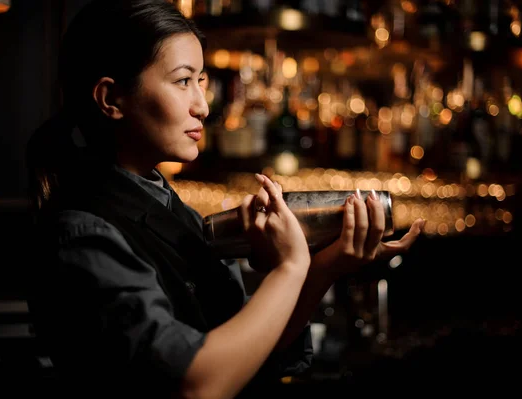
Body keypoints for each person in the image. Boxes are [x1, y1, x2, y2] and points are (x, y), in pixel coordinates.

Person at [25, 0, 425, 396]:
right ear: (111, 99)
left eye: (201, 82)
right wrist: (289, 267)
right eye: (183, 81)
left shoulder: (170, 209)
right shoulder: (83, 234)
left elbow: (248, 355)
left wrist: (324, 267)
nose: (202, 106)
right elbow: (200, 383)